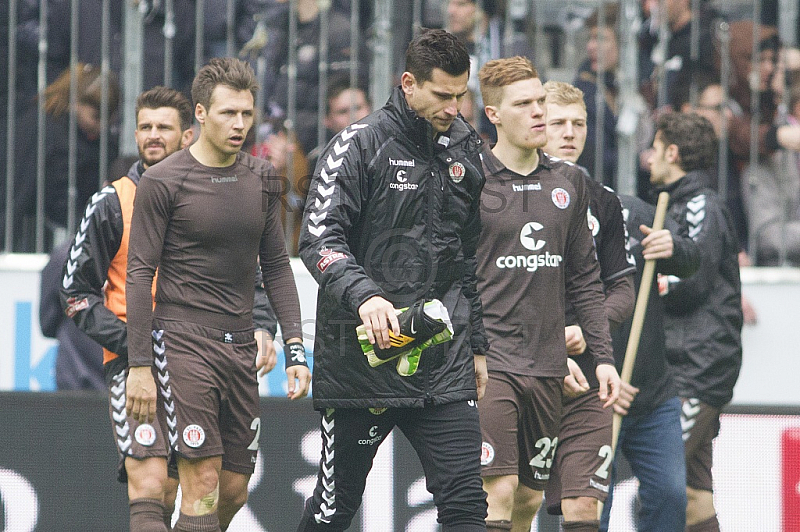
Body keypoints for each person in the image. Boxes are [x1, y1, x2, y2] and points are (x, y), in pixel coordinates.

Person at [60, 85, 280, 531]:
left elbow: (252, 273)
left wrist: (263, 326)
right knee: (151, 482)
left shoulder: (222, 192)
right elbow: (76, 293)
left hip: (204, 352)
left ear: (187, 135)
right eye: (145, 127)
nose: (152, 136)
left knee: (222, 490)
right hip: (132, 360)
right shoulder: (112, 201)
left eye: (164, 127)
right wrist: (136, 341)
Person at [296, 29, 489, 531]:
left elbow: (468, 257)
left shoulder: (468, 148)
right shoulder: (357, 145)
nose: (454, 106)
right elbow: (318, 241)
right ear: (408, 83)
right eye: (442, 94)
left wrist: (480, 345)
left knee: (468, 503)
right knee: (335, 508)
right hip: (362, 362)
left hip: (443, 361)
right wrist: (366, 299)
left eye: (461, 94)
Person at [125, 58, 309, 532]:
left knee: (232, 490)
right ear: (201, 114)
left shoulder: (263, 178)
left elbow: (277, 269)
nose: (240, 124)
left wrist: (295, 348)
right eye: (228, 113)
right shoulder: (162, 180)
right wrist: (140, 365)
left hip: (241, 346)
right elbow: (140, 275)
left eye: (246, 114)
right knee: (201, 479)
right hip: (182, 342)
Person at [474, 57, 620, 532]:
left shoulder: (570, 182)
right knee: (496, 490)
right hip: (492, 362)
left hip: (548, 365)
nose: (538, 112)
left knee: (529, 500)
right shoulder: (468, 179)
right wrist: (471, 348)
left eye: (541, 101)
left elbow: (584, 279)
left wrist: (603, 357)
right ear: (494, 114)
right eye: (524, 104)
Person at [520, 80, 634, 532]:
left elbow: (622, 286)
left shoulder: (605, 201)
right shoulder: (510, 192)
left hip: (588, 373)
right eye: (558, 123)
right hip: (525, 368)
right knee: (519, 502)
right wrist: (549, 344)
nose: (569, 133)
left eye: (579, 124)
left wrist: (592, 327)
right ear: (537, 125)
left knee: (584, 507)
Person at [649, 112, 743, 532]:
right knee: (693, 498)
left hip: (698, 366)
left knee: (656, 487)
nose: (647, 158)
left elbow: (694, 280)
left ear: (672, 152)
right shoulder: (684, 202)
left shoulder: (702, 202)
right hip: (687, 362)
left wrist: (646, 286)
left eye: (654, 147)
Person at [12, 63, 120, 252]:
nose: (101, 126)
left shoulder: (77, 134)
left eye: (107, 119)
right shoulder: (50, 131)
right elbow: (55, 193)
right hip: (30, 224)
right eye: (96, 116)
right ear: (76, 103)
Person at [40, 241, 105, 390]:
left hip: (76, 375)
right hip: (124, 380)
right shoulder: (140, 251)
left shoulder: (65, 255)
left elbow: (47, 323)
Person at [574, 3, 620, 186]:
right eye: (590, 38)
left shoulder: (647, 78)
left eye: (600, 39)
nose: (591, 46)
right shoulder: (585, 88)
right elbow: (596, 153)